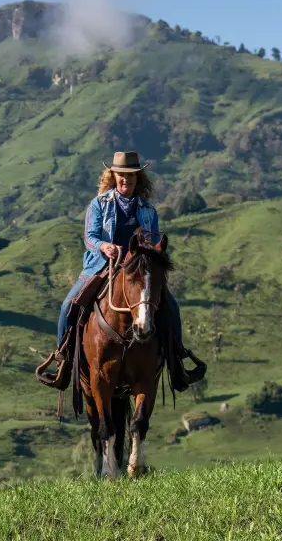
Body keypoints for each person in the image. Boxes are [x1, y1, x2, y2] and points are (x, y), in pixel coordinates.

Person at [56, 151, 205, 391]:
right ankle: (63, 359)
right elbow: (90, 237)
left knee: (171, 308)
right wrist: (105, 246)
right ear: (113, 176)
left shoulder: (148, 211)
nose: (126, 179)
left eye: (131, 176)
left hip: (137, 271)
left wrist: (154, 252)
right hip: (103, 265)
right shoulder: (99, 204)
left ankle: (177, 363)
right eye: (121, 175)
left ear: (138, 179)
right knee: (68, 305)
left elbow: (154, 243)